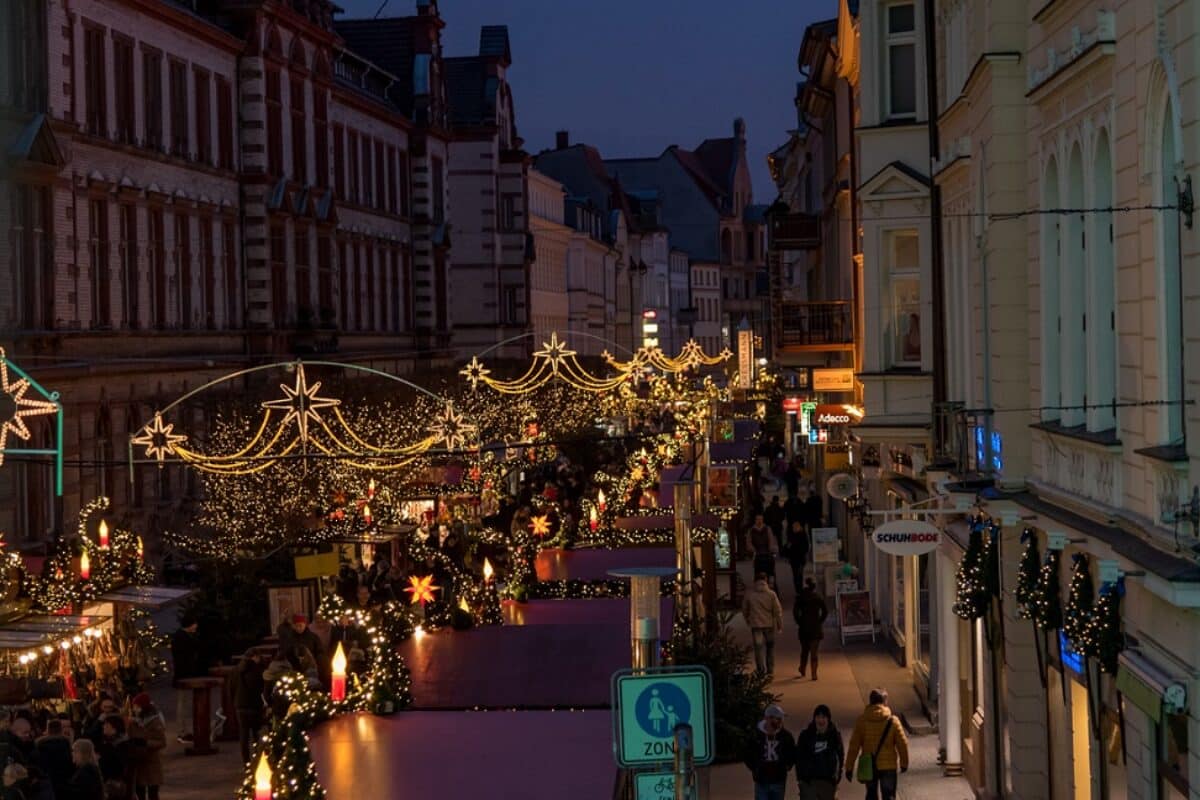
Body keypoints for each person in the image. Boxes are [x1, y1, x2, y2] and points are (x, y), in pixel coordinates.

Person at [845, 689, 909, 800]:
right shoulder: (893, 721)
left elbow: (854, 746)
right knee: (889, 795)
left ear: (870, 701)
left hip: (869, 765)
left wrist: (849, 767)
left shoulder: (862, 721)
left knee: (871, 794)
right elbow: (902, 744)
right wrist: (904, 763)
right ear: (885, 702)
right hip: (889, 766)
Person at [743, 704, 795, 800]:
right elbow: (747, 753)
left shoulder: (786, 736)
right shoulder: (756, 735)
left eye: (781, 719)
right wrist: (755, 767)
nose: (781, 721)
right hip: (761, 781)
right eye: (778, 719)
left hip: (778, 780)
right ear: (768, 718)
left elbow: (792, 752)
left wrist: (787, 765)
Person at [795, 704, 844, 800]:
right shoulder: (805, 735)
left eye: (823, 717)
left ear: (828, 719)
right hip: (809, 782)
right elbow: (799, 757)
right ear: (814, 719)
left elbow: (840, 757)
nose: (820, 720)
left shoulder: (834, 736)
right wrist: (801, 779)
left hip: (828, 783)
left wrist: (836, 779)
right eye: (818, 717)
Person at [170, 614, 205, 744]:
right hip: (183, 676)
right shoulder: (181, 638)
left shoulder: (181, 637)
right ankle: (182, 732)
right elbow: (185, 658)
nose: (196, 626)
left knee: (184, 704)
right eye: (194, 624)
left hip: (184, 675)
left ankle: (184, 730)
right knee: (183, 705)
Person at [741, 573, 784, 676]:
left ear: (754, 581)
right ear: (766, 580)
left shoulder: (750, 594)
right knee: (770, 647)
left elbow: (744, 609)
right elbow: (777, 611)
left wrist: (747, 619)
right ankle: (770, 669)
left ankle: (761, 669)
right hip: (769, 625)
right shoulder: (771, 594)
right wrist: (779, 624)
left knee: (758, 648)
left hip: (756, 625)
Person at [127, 693, 165, 800]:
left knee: (153, 794)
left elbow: (162, 742)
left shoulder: (154, 722)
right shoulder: (132, 722)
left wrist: (145, 743)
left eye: (136, 707)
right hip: (139, 762)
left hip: (152, 763)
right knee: (140, 793)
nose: (134, 709)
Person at [234, 652, 267, 764]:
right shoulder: (256, 671)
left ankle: (246, 761)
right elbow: (259, 689)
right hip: (253, 706)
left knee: (243, 734)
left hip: (240, 706)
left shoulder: (236, 670)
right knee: (256, 734)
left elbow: (231, 688)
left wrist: (235, 702)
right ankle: (256, 759)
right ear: (254, 657)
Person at [794, 579, 829, 680]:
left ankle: (802, 668)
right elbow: (825, 611)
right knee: (814, 651)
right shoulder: (818, 597)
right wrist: (820, 621)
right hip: (815, 627)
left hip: (804, 627)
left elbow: (795, 613)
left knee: (804, 649)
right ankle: (814, 673)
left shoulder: (800, 598)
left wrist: (800, 622)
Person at [34, 718, 73, 798]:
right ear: (60, 729)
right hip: (63, 777)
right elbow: (69, 759)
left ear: (48, 729)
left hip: (47, 776)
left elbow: (38, 760)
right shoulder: (66, 741)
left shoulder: (39, 743)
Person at [748, 513, 778, 587]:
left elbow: (771, 539)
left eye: (761, 519)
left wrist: (772, 549)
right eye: (758, 519)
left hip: (767, 554)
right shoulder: (751, 530)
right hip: (757, 555)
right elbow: (749, 542)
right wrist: (753, 550)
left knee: (770, 573)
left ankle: (770, 587)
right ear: (755, 520)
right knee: (758, 573)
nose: (759, 521)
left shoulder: (767, 529)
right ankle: (759, 587)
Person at [785, 520, 810, 595]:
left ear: (799, 527)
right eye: (793, 527)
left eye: (796, 527)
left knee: (799, 574)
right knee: (796, 574)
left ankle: (799, 589)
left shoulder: (802, 535)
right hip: (794, 558)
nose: (794, 528)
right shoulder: (792, 535)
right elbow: (788, 546)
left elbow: (806, 546)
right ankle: (798, 590)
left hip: (800, 557)